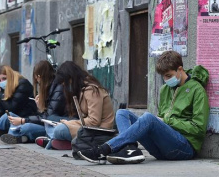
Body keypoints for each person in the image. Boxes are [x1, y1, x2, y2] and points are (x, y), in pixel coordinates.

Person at [78, 50, 209, 165]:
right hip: (161, 149)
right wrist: (163, 122)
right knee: (122, 113)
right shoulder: (165, 90)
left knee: (149, 118)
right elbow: (162, 120)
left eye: (168, 75)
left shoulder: (197, 90)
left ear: (180, 69)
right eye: (163, 76)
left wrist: (167, 121)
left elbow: (198, 129)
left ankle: (103, 150)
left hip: (184, 148)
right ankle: (129, 149)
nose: (165, 79)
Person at [36, 61, 114, 150]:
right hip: (86, 127)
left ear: (71, 79)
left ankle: (57, 141)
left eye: (65, 84)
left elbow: (94, 121)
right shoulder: (80, 90)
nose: (65, 87)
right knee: (51, 124)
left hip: (99, 131)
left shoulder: (92, 90)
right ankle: (64, 142)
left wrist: (68, 123)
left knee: (59, 130)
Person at [0, 60, 70, 144]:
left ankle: (18, 136)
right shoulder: (49, 88)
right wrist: (40, 107)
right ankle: (21, 137)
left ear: (40, 77)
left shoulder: (58, 89)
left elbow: (48, 117)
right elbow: (43, 115)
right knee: (13, 118)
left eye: (37, 79)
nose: (38, 83)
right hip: (44, 122)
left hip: (53, 125)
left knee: (26, 127)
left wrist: (23, 120)